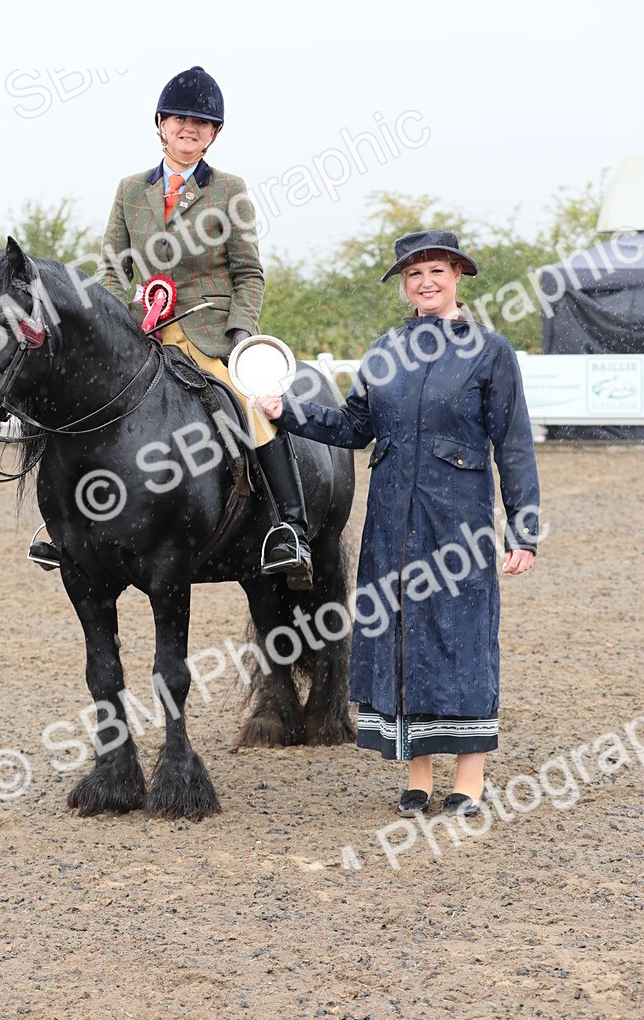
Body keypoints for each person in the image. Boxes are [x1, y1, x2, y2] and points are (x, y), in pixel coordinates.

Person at [255, 230, 540, 815]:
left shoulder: (491, 351)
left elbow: (513, 446)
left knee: (459, 640)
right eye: (414, 275)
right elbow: (353, 428)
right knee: (402, 640)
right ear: (403, 286)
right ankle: (417, 778)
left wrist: (524, 530)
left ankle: (469, 781)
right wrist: (290, 415)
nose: (426, 283)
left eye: (437, 271)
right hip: (389, 524)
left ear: (458, 275)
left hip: (457, 525)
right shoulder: (385, 351)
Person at [29, 66, 311, 587]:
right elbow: (114, 267)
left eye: (203, 122)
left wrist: (241, 334)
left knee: (254, 405)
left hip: (207, 332)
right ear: (160, 124)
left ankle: (289, 528)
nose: (191, 127)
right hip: (142, 332)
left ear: (215, 134)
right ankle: (64, 527)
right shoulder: (130, 189)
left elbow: (248, 272)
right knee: (76, 398)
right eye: (181, 118)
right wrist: (116, 323)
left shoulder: (230, 190)